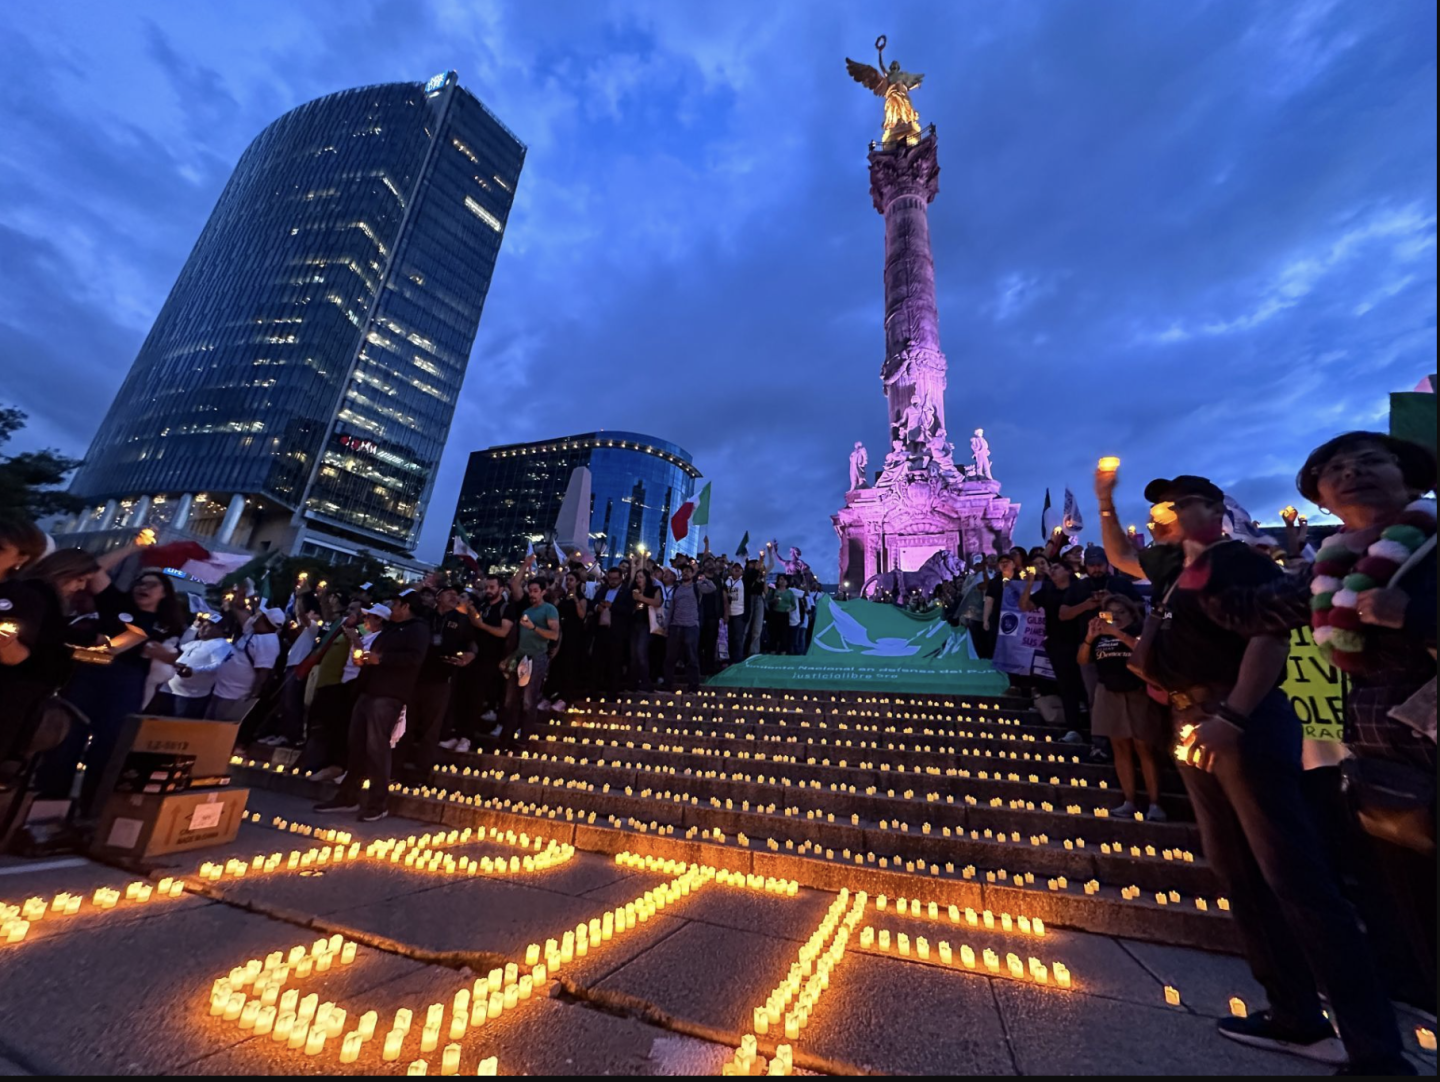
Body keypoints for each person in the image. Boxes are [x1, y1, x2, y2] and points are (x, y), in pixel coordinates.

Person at [1141, 473, 1408, 1075]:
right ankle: (1292, 1011)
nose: (1166, 513)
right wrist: (1105, 503)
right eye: (1161, 505)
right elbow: (1121, 555)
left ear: (1215, 509)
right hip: (1199, 723)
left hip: (1242, 723)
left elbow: (1270, 636)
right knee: (1238, 872)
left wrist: (1233, 715)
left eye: (1180, 503)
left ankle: (1376, 1049)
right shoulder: (1182, 573)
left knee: (1297, 879)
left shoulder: (1237, 560)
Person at [1204, 432, 1437, 1020]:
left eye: (1368, 461)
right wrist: (1193, 559)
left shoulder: (1429, 545)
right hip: (1387, 759)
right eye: (1335, 468)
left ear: (1412, 480)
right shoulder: (1332, 571)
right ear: (1322, 497)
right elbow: (1251, 611)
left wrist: (1417, 614)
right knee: (1407, 902)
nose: (1351, 472)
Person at [316, 595, 429, 823]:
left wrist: (382, 659)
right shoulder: (392, 629)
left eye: (395, 605)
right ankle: (348, 795)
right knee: (356, 744)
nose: (391, 609)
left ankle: (378, 802)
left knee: (377, 747)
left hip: (389, 694)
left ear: (406, 607)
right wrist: (364, 659)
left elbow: (414, 658)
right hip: (368, 690)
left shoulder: (417, 629)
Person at [1, 548, 95, 768]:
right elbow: (45, 638)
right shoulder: (36, 594)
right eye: (80, 579)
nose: (81, 587)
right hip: (15, 687)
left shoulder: (43, 596)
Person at [1076, 593, 1166, 820]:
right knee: (1120, 747)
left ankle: (1155, 803)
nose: (1115, 617)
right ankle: (1129, 800)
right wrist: (1090, 637)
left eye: (1120, 613)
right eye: (1110, 614)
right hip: (1109, 692)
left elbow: (1145, 652)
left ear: (1131, 613)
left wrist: (1117, 633)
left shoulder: (1138, 630)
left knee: (1144, 747)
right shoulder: (1100, 636)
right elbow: (1083, 660)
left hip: (1137, 692)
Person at [406, 585, 476, 776]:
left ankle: (421, 772)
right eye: (449, 593)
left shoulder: (461, 619)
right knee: (407, 724)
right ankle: (395, 769)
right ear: (438, 598)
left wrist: (469, 656)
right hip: (416, 676)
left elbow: (471, 644)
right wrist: (419, 586)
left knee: (432, 728)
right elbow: (408, 601)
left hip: (442, 677)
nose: (454, 597)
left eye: (456, 594)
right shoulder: (424, 616)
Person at [458, 575, 516, 737]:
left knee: (481, 696)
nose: (488, 591)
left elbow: (504, 632)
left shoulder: (506, 608)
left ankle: (470, 735)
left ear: (501, 589)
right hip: (475, 655)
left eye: (492, 587)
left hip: (493, 658)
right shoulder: (482, 605)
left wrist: (482, 625)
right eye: (486, 588)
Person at [503, 580, 559, 738]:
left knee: (528, 700)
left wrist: (534, 627)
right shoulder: (526, 610)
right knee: (510, 699)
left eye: (535, 590)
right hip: (520, 656)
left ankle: (524, 737)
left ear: (543, 592)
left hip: (537, 657)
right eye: (530, 591)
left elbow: (554, 634)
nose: (532, 594)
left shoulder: (549, 609)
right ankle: (507, 735)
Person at [210, 607, 283, 722]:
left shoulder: (269, 642)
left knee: (219, 729)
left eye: (260, 616)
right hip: (221, 690)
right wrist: (234, 604)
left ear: (264, 619)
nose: (256, 618)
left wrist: (251, 698)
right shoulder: (253, 631)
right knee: (208, 725)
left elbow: (263, 673)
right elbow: (241, 614)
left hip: (234, 696)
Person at [165, 615, 234, 719]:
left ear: (220, 630)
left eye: (207, 626)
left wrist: (193, 670)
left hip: (190, 696)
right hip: (170, 689)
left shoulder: (222, 645)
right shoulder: (197, 643)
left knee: (179, 727)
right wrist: (194, 627)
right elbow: (183, 644)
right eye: (201, 626)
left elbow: (218, 666)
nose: (201, 628)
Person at [664, 562, 715, 693]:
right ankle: (667, 686)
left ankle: (693, 687)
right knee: (670, 658)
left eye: (688, 571)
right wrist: (666, 625)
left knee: (692, 658)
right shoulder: (676, 588)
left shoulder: (697, 587)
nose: (685, 572)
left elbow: (712, 588)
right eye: (684, 571)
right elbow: (672, 608)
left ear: (692, 574)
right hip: (675, 626)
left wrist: (704, 579)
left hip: (691, 626)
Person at [546, 571, 589, 711]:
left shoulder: (581, 598)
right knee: (556, 664)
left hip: (573, 635)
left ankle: (565, 698)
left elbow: (582, 615)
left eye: (571, 580)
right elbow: (553, 609)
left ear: (577, 582)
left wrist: (575, 599)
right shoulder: (563, 596)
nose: (569, 582)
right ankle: (550, 696)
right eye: (567, 579)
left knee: (569, 666)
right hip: (560, 634)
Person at [589, 567, 632, 696]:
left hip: (617, 631)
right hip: (601, 630)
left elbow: (628, 610)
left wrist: (612, 606)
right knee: (597, 660)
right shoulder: (603, 590)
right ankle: (594, 690)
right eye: (610, 578)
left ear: (621, 578)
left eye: (615, 579)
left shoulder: (626, 592)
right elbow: (593, 603)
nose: (612, 581)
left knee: (615, 662)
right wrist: (598, 607)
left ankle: (612, 691)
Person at [628, 568, 662, 692]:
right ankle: (633, 683)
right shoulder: (633, 592)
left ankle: (646, 682)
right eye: (637, 577)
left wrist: (641, 598)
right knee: (633, 655)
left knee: (641, 652)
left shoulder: (654, 590)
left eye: (641, 577)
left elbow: (657, 602)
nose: (638, 580)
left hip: (647, 624)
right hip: (634, 624)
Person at [723, 562, 747, 667]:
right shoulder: (726, 581)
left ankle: (737, 659)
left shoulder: (744, 581)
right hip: (727, 613)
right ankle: (728, 658)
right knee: (728, 637)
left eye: (739, 568)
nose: (737, 570)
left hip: (739, 613)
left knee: (738, 637)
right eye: (735, 568)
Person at [766, 574, 796, 655]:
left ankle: (783, 653)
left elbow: (794, 605)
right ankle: (772, 652)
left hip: (785, 615)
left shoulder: (790, 593)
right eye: (780, 579)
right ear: (778, 581)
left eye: (784, 579)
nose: (782, 581)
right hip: (775, 614)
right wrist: (773, 601)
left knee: (784, 635)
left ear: (787, 582)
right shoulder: (773, 591)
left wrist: (790, 609)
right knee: (774, 634)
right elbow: (767, 601)